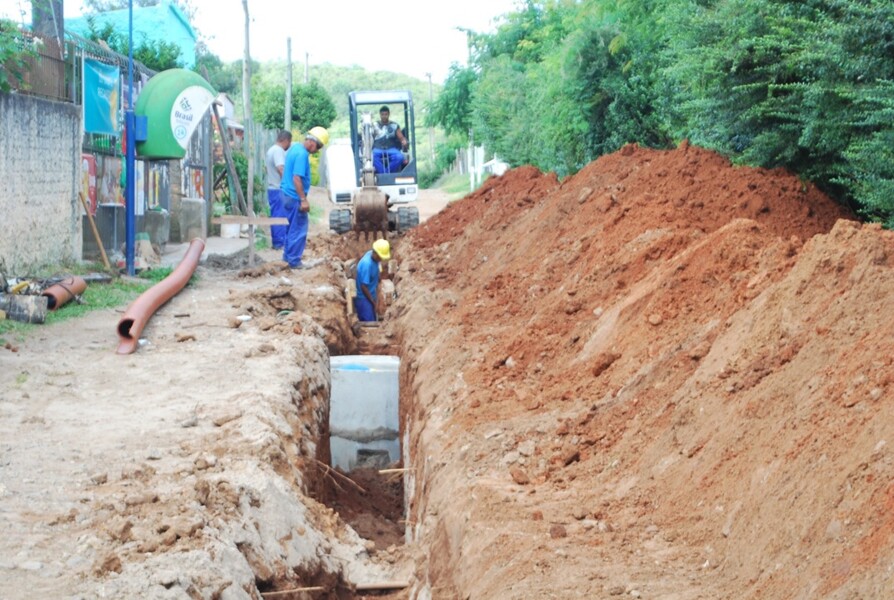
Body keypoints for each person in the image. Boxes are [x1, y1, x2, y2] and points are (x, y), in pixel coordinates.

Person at [280, 126, 329, 268]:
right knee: (298, 228)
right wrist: (303, 199)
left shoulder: (294, 148)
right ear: (313, 142)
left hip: (286, 194)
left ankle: (287, 258)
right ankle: (294, 261)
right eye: (318, 147)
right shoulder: (301, 154)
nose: (317, 151)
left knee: (290, 228)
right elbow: (297, 178)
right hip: (294, 196)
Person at [265, 130, 292, 249]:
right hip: (278, 188)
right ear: (285, 140)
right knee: (279, 216)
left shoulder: (271, 150)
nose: (289, 145)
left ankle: (278, 241)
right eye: (289, 142)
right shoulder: (278, 151)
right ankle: (279, 242)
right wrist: (289, 184)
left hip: (272, 188)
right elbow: (281, 168)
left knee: (276, 214)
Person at [354, 239, 391, 322]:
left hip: (371, 295)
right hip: (363, 298)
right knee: (370, 323)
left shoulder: (372, 255)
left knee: (374, 318)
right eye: (380, 257)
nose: (381, 259)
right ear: (375, 254)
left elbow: (377, 267)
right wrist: (373, 303)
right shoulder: (367, 264)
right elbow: (363, 287)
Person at [372, 106, 408, 174]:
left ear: (389, 114)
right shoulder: (374, 125)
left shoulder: (394, 125)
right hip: (378, 148)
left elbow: (401, 137)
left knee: (400, 157)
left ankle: (386, 172)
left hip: (391, 148)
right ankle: (384, 173)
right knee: (372, 157)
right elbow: (370, 137)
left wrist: (404, 141)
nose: (384, 116)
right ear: (380, 115)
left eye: (386, 114)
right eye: (382, 114)